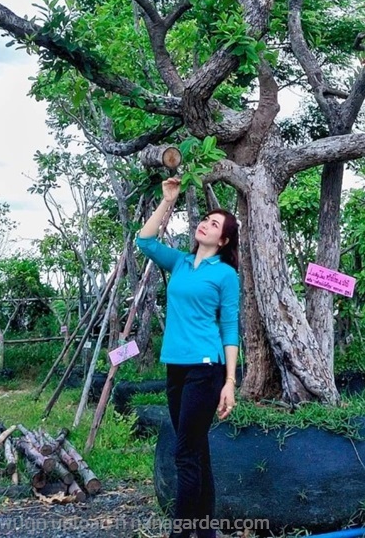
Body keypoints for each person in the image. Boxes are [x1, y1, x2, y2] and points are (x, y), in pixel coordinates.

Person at [136, 177, 240, 538]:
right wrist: (168, 200)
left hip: (206, 370)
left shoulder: (225, 275)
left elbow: (229, 328)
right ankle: (206, 532)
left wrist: (230, 382)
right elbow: (144, 240)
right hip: (176, 368)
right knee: (197, 451)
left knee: (184, 455)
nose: (205, 224)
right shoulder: (180, 262)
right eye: (205, 219)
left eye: (214, 224)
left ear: (223, 240)